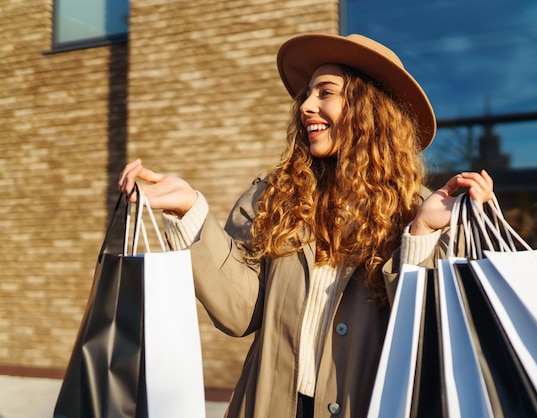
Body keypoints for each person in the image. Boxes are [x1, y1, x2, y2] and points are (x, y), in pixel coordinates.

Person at [119, 33, 493, 418]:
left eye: (325, 93)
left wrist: (420, 235)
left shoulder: (421, 212)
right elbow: (239, 312)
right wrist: (189, 210)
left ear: (369, 110)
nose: (306, 106)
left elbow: (424, 334)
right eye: (307, 94)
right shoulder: (273, 197)